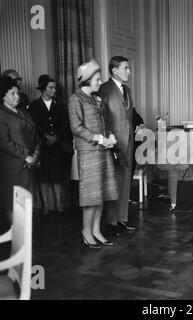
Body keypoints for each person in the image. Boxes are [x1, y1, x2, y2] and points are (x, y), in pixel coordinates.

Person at [68, 60, 118, 248]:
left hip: (102, 152)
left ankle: (97, 230)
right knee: (91, 196)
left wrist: (110, 135)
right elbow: (76, 127)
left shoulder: (96, 99)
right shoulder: (75, 99)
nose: (99, 82)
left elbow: (105, 122)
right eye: (96, 79)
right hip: (89, 154)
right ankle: (86, 232)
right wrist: (99, 138)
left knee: (101, 193)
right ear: (87, 80)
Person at [99, 56, 136, 235]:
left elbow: (130, 114)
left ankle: (122, 219)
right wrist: (108, 137)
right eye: (125, 68)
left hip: (128, 142)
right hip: (113, 144)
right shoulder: (104, 89)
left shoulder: (127, 89)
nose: (129, 71)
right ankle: (111, 223)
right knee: (114, 183)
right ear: (114, 70)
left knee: (125, 182)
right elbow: (101, 117)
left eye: (128, 68)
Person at [29, 75, 73, 214]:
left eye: (55, 87)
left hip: (57, 147)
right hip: (42, 146)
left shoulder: (59, 105)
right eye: (51, 87)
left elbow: (65, 124)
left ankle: (59, 205)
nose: (54, 90)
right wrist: (45, 136)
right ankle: (46, 206)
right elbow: (33, 125)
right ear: (43, 89)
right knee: (44, 177)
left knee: (58, 177)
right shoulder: (34, 105)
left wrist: (57, 137)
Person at [0, 76, 40, 224]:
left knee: (26, 206)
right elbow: (5, 142)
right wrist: (26, 156)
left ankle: (24, 242)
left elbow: (36, 136)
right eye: (12, 94)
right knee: (13, 206)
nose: (17, 97)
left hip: (28, 168)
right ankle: (20, 243)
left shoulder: (24, 112)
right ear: (3, 95)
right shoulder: (1, 114)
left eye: (18, 93)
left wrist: (35, 154)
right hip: (12, 169)